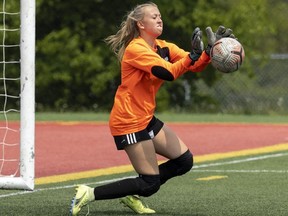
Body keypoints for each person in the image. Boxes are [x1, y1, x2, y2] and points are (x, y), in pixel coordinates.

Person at [70, 2, 235, 215]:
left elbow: (192, 65)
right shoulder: (136, 49)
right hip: (128, 121)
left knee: (184, 161)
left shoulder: (163, 46)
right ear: (140, 24)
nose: (159, 19)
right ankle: (89, 193)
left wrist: (209, 52)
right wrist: (193, 56)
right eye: (154, 16)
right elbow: (168, 72)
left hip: (145, 118)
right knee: (150, 183)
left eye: (160, 16)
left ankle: (133, 194)